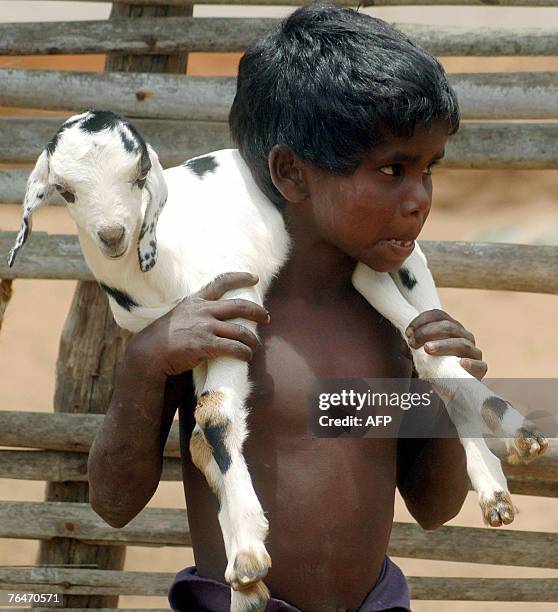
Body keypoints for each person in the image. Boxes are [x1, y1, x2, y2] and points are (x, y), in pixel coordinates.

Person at [88, 4, 488, 611]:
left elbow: (435, 508)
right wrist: (148, 359)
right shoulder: (208, 312)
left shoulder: (395, 317)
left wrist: (446, 394)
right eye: (392, 170)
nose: (419, 200)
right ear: (291, 173)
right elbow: (113, 504)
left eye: (428, 170)